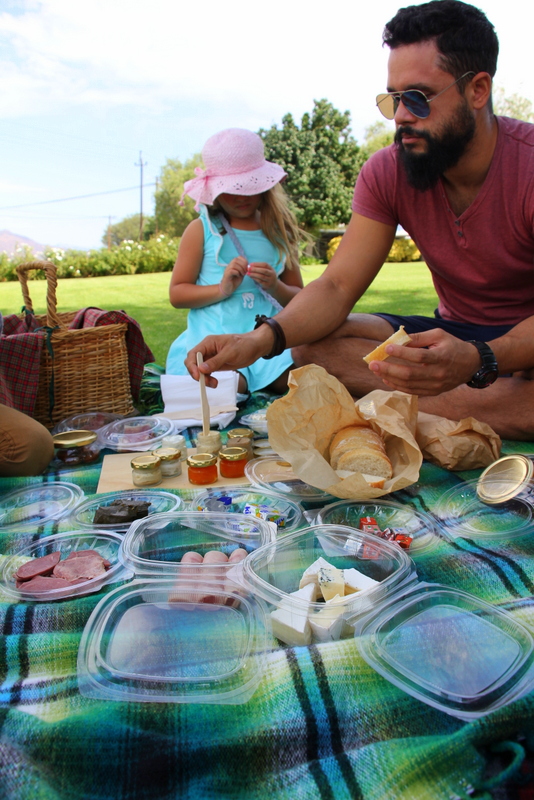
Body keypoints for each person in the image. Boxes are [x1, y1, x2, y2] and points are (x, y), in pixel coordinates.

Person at [184, 0, 534, 441]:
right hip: (450, 332)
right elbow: (336, 286)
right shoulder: (388, 170)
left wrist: (479, 358)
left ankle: (447, 402)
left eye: (418, 98)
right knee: (308, 345)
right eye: (394, 99)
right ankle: (492, 404)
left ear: (477, 90)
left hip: (521, 339)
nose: (401, 115)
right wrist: (258, 341)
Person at [166, 128, 303, 395]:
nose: (242, 197)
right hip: (215, 340)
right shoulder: (202, 230)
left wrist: (275, 286)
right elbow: (177, 294)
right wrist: (222, 289)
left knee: (304, 380)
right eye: (233, 189)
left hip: (266, 344)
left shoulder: (279, 233)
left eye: (250, 187)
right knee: (225, 387)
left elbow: (301, 299)